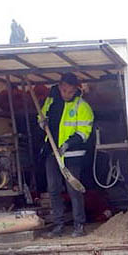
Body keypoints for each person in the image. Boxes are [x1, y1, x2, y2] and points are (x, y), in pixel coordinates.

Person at [39, 73, 94, 237]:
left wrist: (68, 144)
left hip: (72, 155)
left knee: (73, 189)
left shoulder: (82, 107)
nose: (66, 95)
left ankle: (79, 225)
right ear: (59, 86)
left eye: (70, 92)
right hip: (52, 152)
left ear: (76, 89)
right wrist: (42, 122)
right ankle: (58, 225)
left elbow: (84, 132)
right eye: (64, 90)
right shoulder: (51, 101)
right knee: (53, 189)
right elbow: (41, 115)